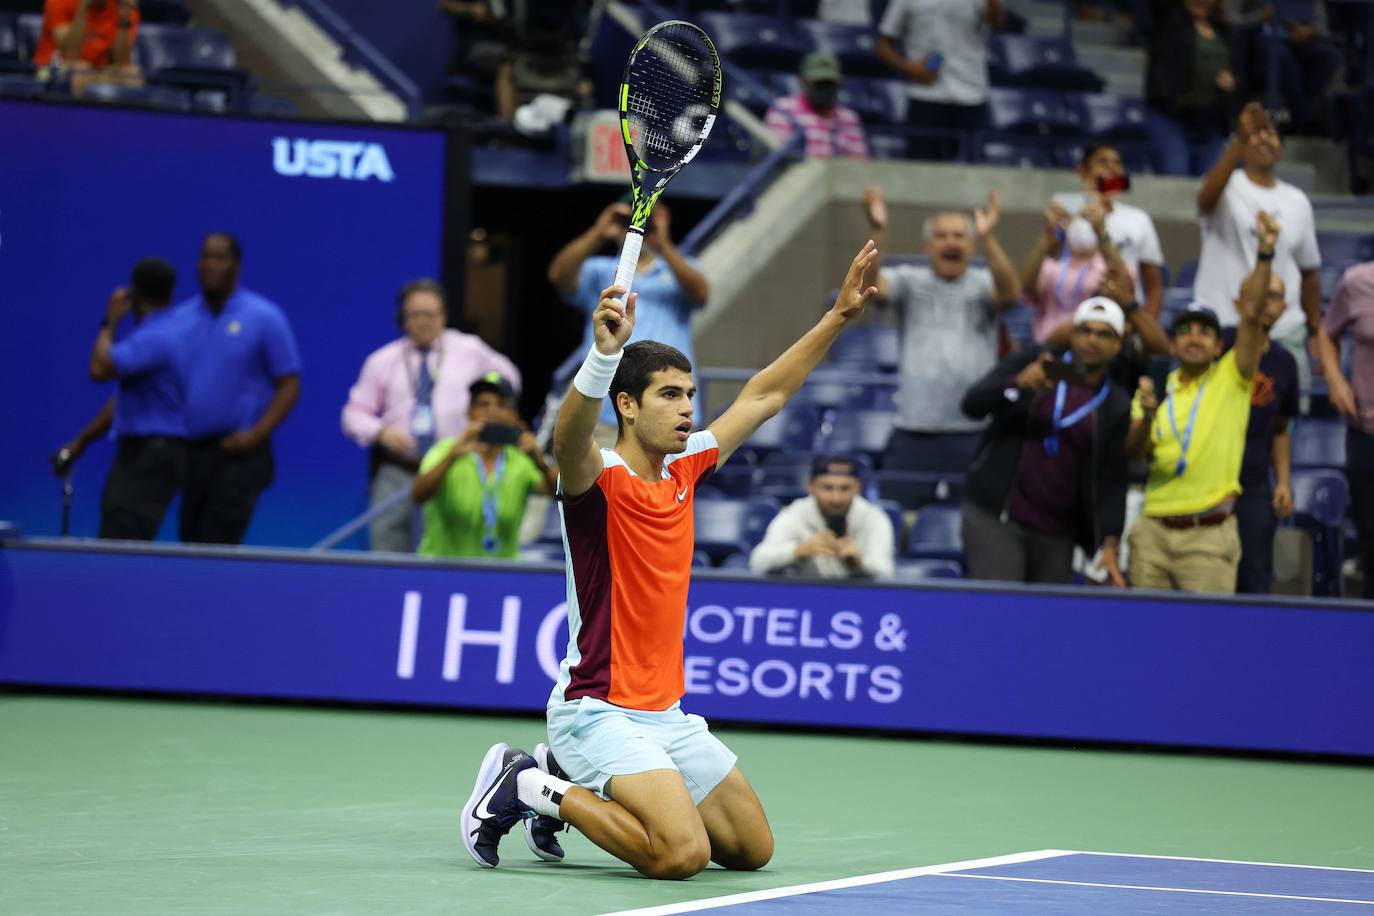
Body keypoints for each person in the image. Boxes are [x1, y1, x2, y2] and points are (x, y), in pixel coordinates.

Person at [459, 241, 882, 877]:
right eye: (668, 396)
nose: (687, 408)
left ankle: (555, 773)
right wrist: (602, 356)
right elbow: (566, 436)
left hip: (667, 714)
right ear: (626, 405)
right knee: (682, 855)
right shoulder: (594, 481)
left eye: (688, 395)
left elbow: (764, 396)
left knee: (750, 851)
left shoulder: (686, 469)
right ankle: (533, 785)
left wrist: (838, 318)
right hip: (595, 709)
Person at [1125, 211, 1279, 593]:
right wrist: (1145, 418)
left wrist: (1264, 253)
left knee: (1206, 643)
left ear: (1217, 344)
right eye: (1184, 331)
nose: (1194, 338)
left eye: (1204, 332)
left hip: (1208, 537)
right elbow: (1134, 454)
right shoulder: (1156, 386)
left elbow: (1252, 313)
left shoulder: (1233, 377)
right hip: (1152, 532)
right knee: (1143, 638)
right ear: (1174, 344)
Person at [960, 297, 1131, 585]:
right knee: (1001, 612)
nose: (1092, 340)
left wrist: (1110, 543)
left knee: (1042, 623)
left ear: (1118, 344)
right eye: (1085, 330)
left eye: (1104, 334)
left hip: (1058, 533)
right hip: (997, 517)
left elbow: (1112, 478)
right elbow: (971, 405)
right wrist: (1017, 384)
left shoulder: (1115, 403)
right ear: (1072, 333)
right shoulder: (1037, 363)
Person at [862, 185, 1021, 494]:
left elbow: (1010, 293)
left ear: (971, 245)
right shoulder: (909, 280)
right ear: (927, 246)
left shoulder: (984, 284)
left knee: (973, 523)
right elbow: (869, 288)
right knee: (902, 522)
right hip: (914, 431)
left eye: (960, 236)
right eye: (943, 236)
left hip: (972, 431)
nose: (951, 242)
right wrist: (877, 231)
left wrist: (989, 238)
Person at [342, 279, 520, 554]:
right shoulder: (382, 360)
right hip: (400, 468)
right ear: (403, 319)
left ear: (444, 316)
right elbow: (353, 414)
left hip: (452, 467)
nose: (424, 322)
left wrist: (490, 414)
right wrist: (380, 431)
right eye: (416, 315)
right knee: (386, 548)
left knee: (442, 546)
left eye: (431, 314)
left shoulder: (469, 349)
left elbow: (510, 379)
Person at [547, 197, 709, 447]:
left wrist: (662, 244)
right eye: (631, 220)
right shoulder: (600, 269)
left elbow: (700, 293)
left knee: (663, 485)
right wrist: (598, 233)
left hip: (668, 407)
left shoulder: (679, 268)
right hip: (605, 411)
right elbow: (559, 276)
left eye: (647, 220)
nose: (640, 226)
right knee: (600, 485)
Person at [1194, 102, 1322, 408]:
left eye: (1272, 134)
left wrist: (1315, 330)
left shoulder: (1297, 200)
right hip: (1225, 324)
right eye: (1256, 134)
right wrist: (1239, 140)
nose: (1264, 139)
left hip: (1284, 330)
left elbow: (1310, 271)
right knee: (1218, 418)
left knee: (1285, 424)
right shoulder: (1227, 185)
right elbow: (1205, 200)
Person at [177, 232, 301, 545]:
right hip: (190, 453)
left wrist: (257, 434)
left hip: (241, 453)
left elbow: (289, 385)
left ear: (237, 265)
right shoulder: (181, 319)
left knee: (216, 541)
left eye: (219, 258)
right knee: (189, 539)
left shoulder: (263, 317)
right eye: (205, 257)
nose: (210, 266)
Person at [62, 259, 182, 539]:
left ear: (134, 294)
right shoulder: (175, 332)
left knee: (121, 538)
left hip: (147, 458)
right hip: (155, 455)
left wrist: (110, 321)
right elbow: (120, 402)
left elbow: (99, 368)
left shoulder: (155, 337)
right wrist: (81, 442)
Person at [410, 373, 554, 559]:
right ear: (469, 412)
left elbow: (558, 495)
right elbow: (418, 496)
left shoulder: (522, 459)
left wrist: (540, 461)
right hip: (443, 573)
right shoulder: (445, 449)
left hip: (500, 575)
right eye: (483, 404)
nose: (491, 412)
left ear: (513, 416)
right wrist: (452, 456)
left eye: (501, 405)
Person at [1221, 274, 1298, 593]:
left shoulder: (1284, 363)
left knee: (1254, 581)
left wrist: (1282, 482)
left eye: (1275, 296)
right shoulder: (1218, 344)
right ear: (1240, 302)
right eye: (1259, 295)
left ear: (1285, 307)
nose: (1267, 303)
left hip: (1253, 485)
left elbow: (1280, 428)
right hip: (1207, 484)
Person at [876, 0, 1004, 161]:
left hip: (970, 95)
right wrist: (910, 68)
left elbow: (999, 24)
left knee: (972, 174)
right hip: (924, 96)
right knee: (920, 172)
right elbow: (883, 44)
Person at [1053, 144, 1168, 318]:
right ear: (1082, 171)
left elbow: (1154, 285)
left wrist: (1144, 326)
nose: (1112, 168)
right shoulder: (1067, 214)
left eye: (1117, 163)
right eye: (1103, 162)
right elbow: (1051, 269)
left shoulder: (1138, 218)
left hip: (1126, 315)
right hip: (1075, 316)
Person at [1316, 261, 1374, 599]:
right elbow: (1326, 332)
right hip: (1366, 433)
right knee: (1372, 542)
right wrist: (1336, 381)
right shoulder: (1356, 281)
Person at [748, 454, 895, 578]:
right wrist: (801, 550)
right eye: (827, 488)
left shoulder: (874, 518)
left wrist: (858, 563)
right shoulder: (796, 513)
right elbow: (758, 561)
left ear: (858, 488)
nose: (835, 498)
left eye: (845, 488)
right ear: (810, 486)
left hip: (858, 601)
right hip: (808, 598)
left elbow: (885, 574)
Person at [1021, 195, 1138, 344]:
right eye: (1073, 218)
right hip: (1047, 347)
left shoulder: (1106, 266)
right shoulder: (1052, 268)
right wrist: (1048, 233)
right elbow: (1028, 287)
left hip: (1092, 344)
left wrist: (1101, 232)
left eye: (1084, 218)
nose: (1079, 225)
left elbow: (1125, 285)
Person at [1144, 0, 1239, 175]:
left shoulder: (1224, 30)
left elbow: (1237, 69)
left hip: (1210, 123)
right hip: (1170, 117)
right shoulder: (1168, 19)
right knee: (1175, 179)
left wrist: (1230, 81)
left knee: (1209, 188)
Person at [763, 52, 869, 160]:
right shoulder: (783, 110)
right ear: (802, 81)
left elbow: (859, 164)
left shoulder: (849, 118)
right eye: (817, 83)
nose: (823, 88)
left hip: (839, 176)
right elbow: (780, 159)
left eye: (828, 83)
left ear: (838, 84)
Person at [33, 0, 142, 96]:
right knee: (79, 70)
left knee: (132, 74)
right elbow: (71, 55)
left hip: (95, 72)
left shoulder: (124, 5)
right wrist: (83, 6)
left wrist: (124, 18)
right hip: (50, 70)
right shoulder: (58, 1)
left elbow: (123, 62)